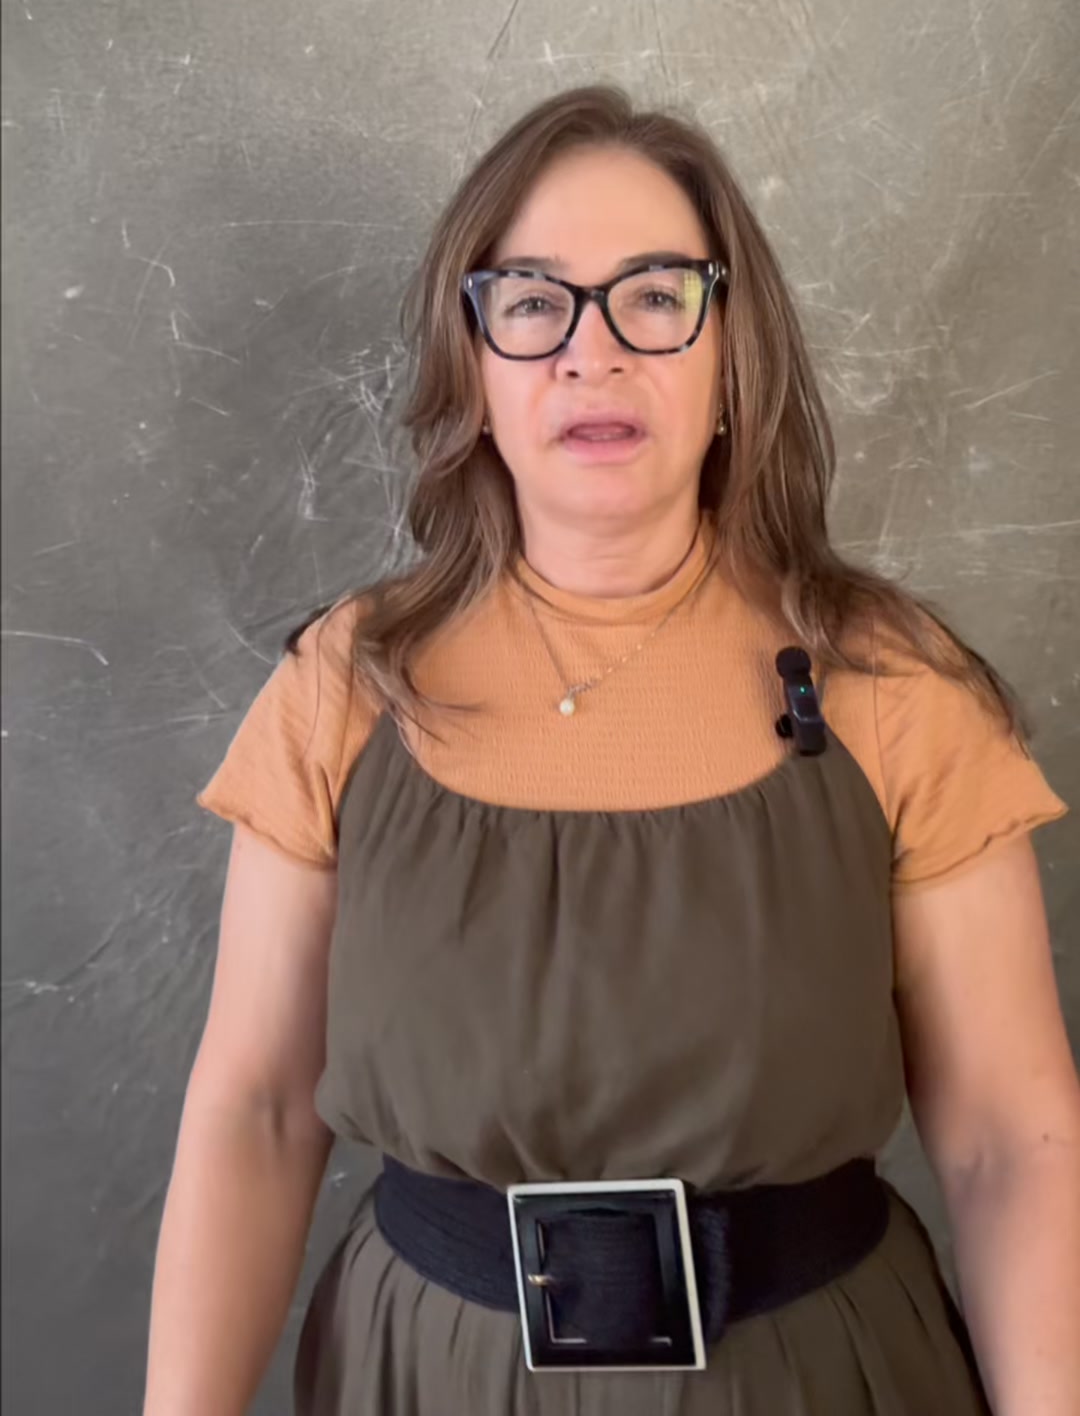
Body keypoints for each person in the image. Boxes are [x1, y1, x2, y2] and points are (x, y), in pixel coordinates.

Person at [143, 86, 1078, 1416]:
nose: (594, 352)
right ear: (472, 362)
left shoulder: (893, 684)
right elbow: (257, 1113)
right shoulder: (347, 685)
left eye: (654, 296)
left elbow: (1007, 1144)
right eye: (534, 302)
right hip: (426, 1382)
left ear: (732, 354)